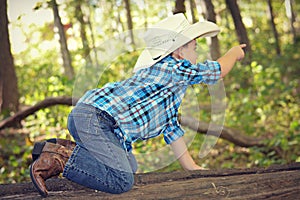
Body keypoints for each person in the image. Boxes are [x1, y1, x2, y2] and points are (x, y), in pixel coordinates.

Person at [30, 13, 246, 197]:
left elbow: (173, 133)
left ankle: (58, 147)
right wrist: (234, 53)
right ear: (179, 52)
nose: (197, 55)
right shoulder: (172, 69)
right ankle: (57, 159)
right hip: (95, 119)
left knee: (130, 166)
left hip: (93, 120)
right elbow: (215, 71)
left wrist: (192, 167)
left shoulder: (166, 93)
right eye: (195, 48)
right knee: (122, 180)